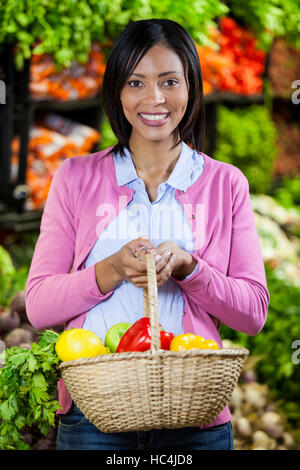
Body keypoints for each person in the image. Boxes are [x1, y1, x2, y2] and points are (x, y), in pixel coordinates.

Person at [25, 18, 270, 450]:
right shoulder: (75, 176)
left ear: (191, 87)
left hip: (196, 413)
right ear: (117, 92)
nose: (154, 98)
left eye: (169, 81)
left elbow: (252, 314)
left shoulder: (225, 183)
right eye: (136, 82)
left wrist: (190, 268)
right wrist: (112, 269)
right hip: (93, 416)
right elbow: (40, 306)